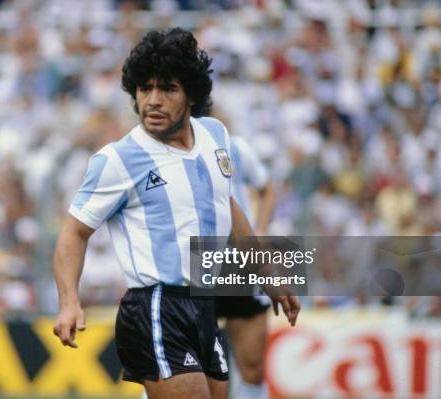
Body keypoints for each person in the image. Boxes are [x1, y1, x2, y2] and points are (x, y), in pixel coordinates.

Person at [52, 28, 300, 399]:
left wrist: (268, 274)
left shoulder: (216, 136)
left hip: (205, 302)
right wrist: (69, 300)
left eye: (167, 88)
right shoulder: (118, 159)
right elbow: (74, 232)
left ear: (191, 94)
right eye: (144, 88)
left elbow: (229, 209)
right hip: (156, 305)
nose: (152, 100)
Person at [215, 135, 276, 399]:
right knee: (180, 372)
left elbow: (266, 187)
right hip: (189, 262)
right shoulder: (160, 151)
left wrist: (259, 230)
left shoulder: (235, 147)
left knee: (252, 367)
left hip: (240, 259)